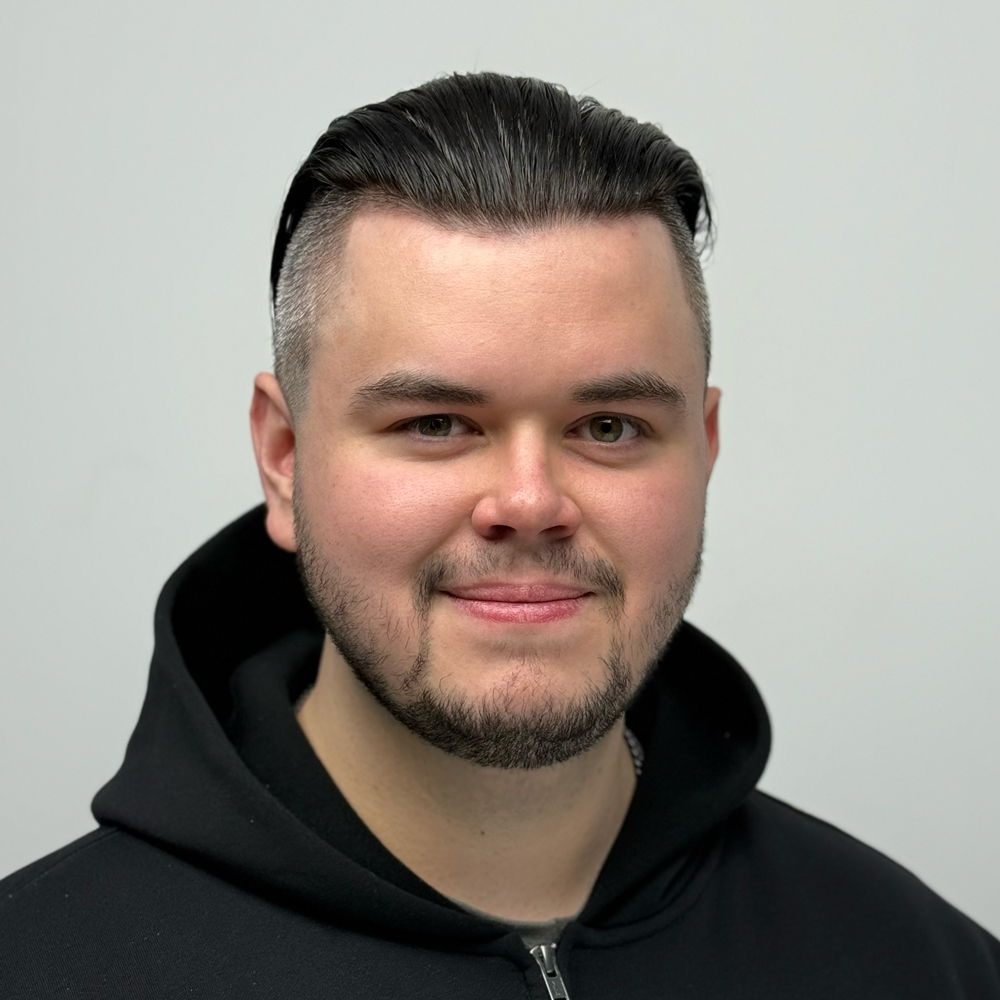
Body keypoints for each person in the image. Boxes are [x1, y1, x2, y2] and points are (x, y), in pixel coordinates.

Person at [1, 72, 997, 999]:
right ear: (284, 457)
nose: (528, 501)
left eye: (609, 427)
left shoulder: (922, 966)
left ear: (703, 450)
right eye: (436, 423)